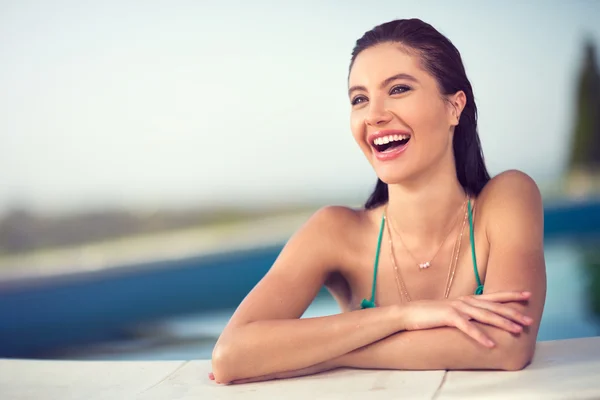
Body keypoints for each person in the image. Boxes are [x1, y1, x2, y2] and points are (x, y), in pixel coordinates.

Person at [209, 18, 546, 385]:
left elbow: (507, 345)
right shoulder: (336, 231)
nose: (374, 115)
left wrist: (323, 354)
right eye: (359, 99)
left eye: (399, 89)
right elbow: (231, 355)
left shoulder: (507, 199)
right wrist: (403, 316)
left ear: (454, 106)